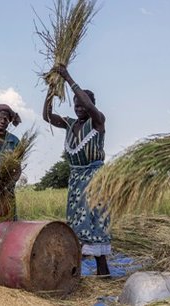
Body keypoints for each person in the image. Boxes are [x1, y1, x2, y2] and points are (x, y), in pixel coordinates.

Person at [42, 65, 111, 276]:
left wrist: (68, 77)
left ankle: (102, 268)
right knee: (76, 221)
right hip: (76, 178)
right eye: (76, 105)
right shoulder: (70, 124)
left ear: (91, 106)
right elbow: (47, 116)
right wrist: (52, 89)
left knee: (95, 218)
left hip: (95, 177)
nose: (79, 107)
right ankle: (76, 269)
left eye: (83, 104)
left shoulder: (98, 121)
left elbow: (89, 105)